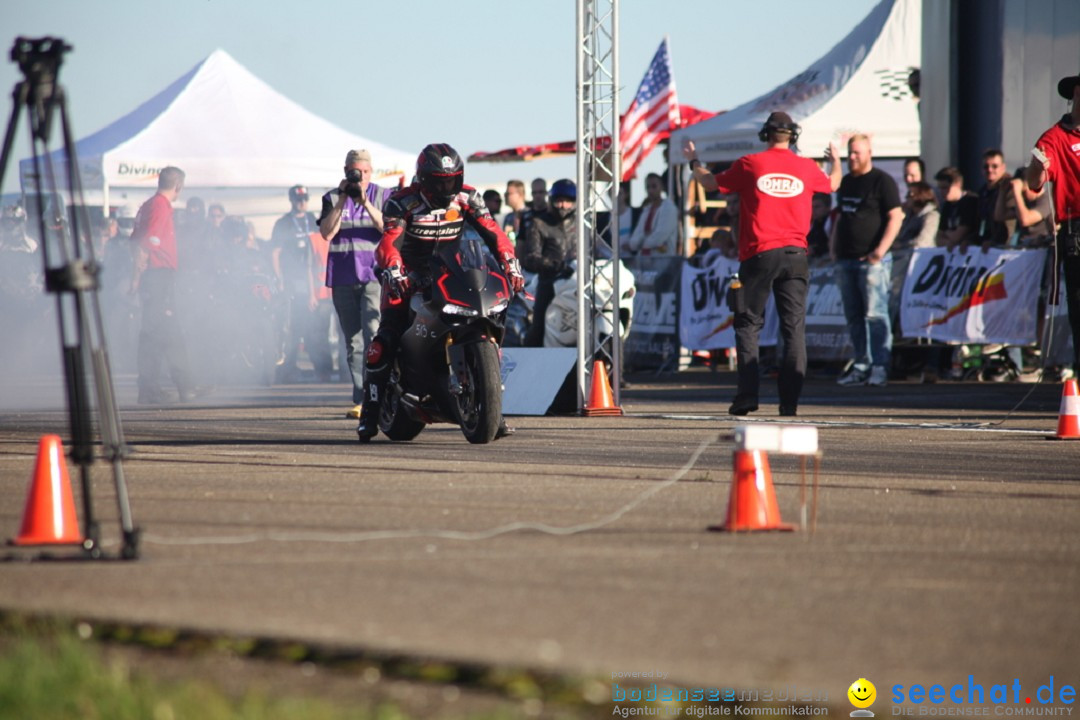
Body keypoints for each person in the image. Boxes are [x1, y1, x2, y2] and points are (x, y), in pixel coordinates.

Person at [357, 143, 525, 441]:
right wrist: (395, 269)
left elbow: (493, 233)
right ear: (423, 179)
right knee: (387, 335)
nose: (446, 186)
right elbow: (389, 241)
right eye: (439, 181)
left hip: (450, 270)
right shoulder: (401, 202)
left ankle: (491, 411)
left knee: (488, 314)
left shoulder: (468, 197)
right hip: (408, 274)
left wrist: (510, 263)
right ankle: (369, 414)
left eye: (452, 179)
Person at [683, 111, 841, 416]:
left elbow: (709, 183)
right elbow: (833, 184)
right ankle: (789, 404)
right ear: (793, 136)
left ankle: (747, 397)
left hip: (759, 254)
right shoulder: (806, 168)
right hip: (796, 255)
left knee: (748, 324)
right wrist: (835, 159)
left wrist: (694, 161)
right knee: (793, 330)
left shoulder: (750, 163)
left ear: (765, 135)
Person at [319, 149, 394, 418]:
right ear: (345, 171)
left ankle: (379, 393)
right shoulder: (332, 197)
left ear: (370, 172)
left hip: (373, 276)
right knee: (353, 341)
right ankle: (361, 397)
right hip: (342, 277)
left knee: (374, 334)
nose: (359, 177)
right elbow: (326, 233)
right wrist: (341, 201)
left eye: (363, 172)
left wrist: (364, 202)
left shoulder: (383, 195)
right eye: (354, 172)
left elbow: (388, 228)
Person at [831, 134, 904, 388]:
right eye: (850, 153)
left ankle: (880, 367)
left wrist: (879, 252)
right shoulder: (847, 182)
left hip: (872, 261)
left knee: (875, 314)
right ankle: (861, 365)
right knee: (854, 316)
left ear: (869, 153)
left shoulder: (882, 181)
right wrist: (833, 247)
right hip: (846, 260)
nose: (852, 158)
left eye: (857, 153)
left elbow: (896, 217)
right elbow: (840, 217)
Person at [1027, 68, 1080, 377]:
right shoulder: (1056, 137)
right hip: (1075, 227)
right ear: (1076, 93)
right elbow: (1035, 180)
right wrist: (1036, 166)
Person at [130, 166, 194, 405]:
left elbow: (134, 242)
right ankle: (185, 385)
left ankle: (152, 388)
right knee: (167, 331)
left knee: (153, 334)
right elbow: (147, 243)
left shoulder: (149, 205)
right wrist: (137, 277)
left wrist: (136, 276)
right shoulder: (159, 206)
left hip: (154, 276)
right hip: (158, 276)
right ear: (178, 186)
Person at [272, 184, 332, 382]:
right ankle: (288, 368)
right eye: (299, 200)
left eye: (305, 199)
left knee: (318, 329)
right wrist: (280, 279)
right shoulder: (283, 223)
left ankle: (323, 369)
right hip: (294, 282)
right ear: (291, 201)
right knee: (296, 327)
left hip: (316, 283)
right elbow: (275, 253)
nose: (302, 203)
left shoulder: (313, 220)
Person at [521, 178, 577, 347]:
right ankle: (529, 362)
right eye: (559, 201)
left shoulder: (584, 222)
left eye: (567, 201)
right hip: (550, 281)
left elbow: (600, 248)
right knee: (538, 326)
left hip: (579, 280)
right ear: (552, 201)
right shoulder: (538, 223)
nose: (563, 205)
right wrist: (557, 266)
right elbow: (531, 257)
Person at [626, 173, 678, 256]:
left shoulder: (669, 208)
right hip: (643, 261)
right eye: (648, 187)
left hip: (662, 262)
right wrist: (645, 236)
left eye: (654, 186)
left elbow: (658, 238)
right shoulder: (646, 210)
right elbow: (633, 241)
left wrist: (640, 243)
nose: (650, 190)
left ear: (662, 187)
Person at [934, 166, 978, 249]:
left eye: (945, 188)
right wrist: (949, 242)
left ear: (958, 184)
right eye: (940, 188)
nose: (942, 192)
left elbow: (958, 236)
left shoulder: (970, 202)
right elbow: (938, 239)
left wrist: (946, 233)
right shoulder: (947, 205)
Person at [975, 149, 1011, 250]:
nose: (990, 170)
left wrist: (994, 242)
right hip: (988, 246)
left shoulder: (1009, 189)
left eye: (995, 166)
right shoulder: (983, 192)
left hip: (1006, 247)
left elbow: (1010, 224)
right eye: (986, 166)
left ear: (1003, 167)